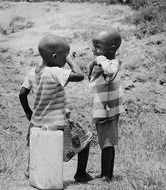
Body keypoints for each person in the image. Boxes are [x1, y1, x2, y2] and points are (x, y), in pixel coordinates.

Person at [19, 34, 93, 183]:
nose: (65, 60)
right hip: (57, 123)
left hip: (36, 122)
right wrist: (70, 60)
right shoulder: (54, 72)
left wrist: (28, 112)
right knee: (86, 139)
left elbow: (22, 94)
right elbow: (79, 75)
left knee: (37, 146)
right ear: (54, 57)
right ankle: (80, 173)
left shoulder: (32, 72)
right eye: (63, 57)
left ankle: (30, 170)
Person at [88, 30, 125, 182]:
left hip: (108, 111)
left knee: (107, 143)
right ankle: (105, 173)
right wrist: (94, 63)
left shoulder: (112, 64)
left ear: (111, 49)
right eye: (93, 46)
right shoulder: (104, 64)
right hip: (104, 109)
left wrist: (100, 59)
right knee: (106, 142)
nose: (94, 50)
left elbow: (109, 72)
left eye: (97, 47)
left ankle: (106, 175)